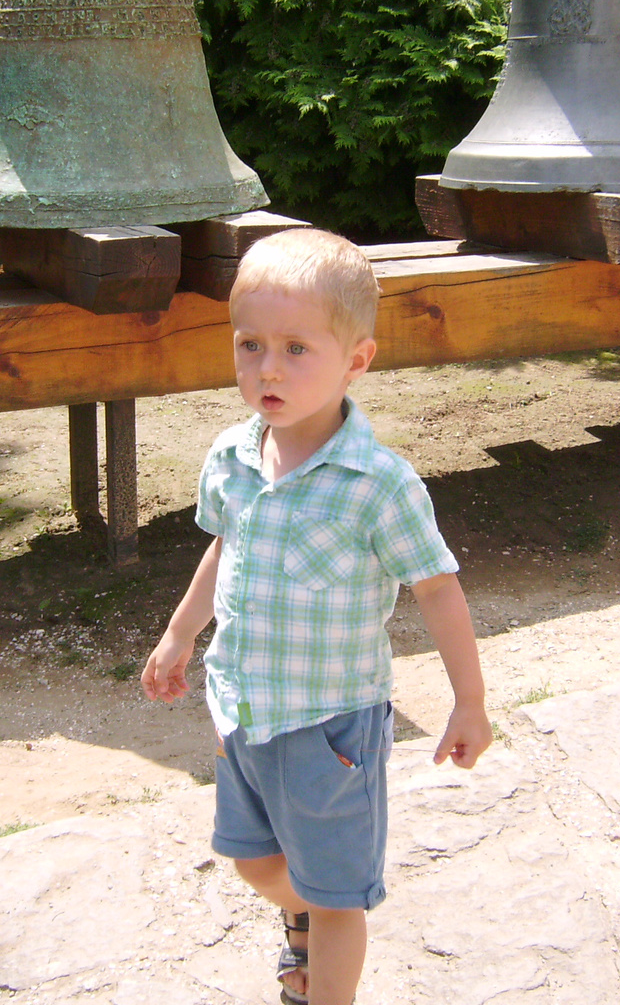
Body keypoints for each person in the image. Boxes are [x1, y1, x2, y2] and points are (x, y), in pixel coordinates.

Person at [141, 228, 491, 1005]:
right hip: (243, 712)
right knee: (252, 861)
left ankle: (322, 982)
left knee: (339, 898)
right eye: (251, 344)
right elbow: (225, 549)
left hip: (332, 728)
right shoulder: (232, 457)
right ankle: (298, 915)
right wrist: (180, 633)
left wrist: (469, 700)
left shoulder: (379, 484)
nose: (268, 368)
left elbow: (437, 587)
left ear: (356, 360)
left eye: (297, 348)